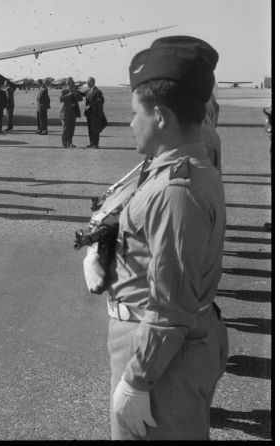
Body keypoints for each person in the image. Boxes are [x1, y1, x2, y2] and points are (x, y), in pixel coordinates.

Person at [83, 36, 228, 440]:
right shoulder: (180, 167)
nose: (130, 123)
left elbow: (169, 308)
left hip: (160, 356)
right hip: (166, 347)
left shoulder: (174, 191)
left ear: (160, 116)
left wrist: (137, 382)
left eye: (134, 113)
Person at [59, 77, 83, 148]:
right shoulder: (64, 91)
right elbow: (61, 99)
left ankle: (70, 142)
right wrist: (69, 94)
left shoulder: (75, 90)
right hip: (65, 113)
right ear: (67, 84)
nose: (72, 84)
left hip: (73, 113)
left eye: (73, 83)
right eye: (71, 83)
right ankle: (64, 144)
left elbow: (80, 99)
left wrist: (76, 93)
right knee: (65, 129)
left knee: (72, 129)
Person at [84, 77, 107, 148]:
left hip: (95, 113)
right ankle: (91, 143)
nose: (87, 83)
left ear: (92, 82)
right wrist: (74, 90)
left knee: (95, 128)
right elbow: (82, 94)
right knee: (90, 129)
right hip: (89, 114)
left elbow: (101, 100)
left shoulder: (97, 91)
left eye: (88, 82)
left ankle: (96, 144)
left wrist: (91, 105)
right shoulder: (88, 91)